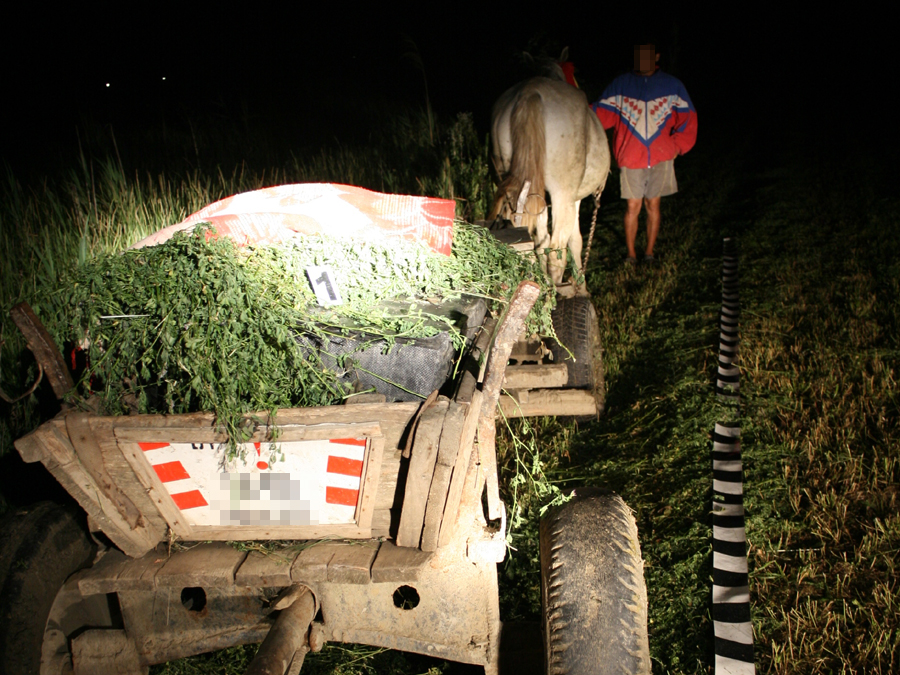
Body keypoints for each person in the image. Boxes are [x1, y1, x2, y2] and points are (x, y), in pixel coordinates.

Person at [591, 43, 697, 264]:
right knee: (632, 206)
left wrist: (677, 146)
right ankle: (631, 254)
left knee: (653, 204)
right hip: (631, 157)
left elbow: (688, 117)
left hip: (660, 157)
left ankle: (649, 253)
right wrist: (578, 106)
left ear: (657, 56)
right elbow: (600, 114)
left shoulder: (672, 85)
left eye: (648, 55)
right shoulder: (621, 85)